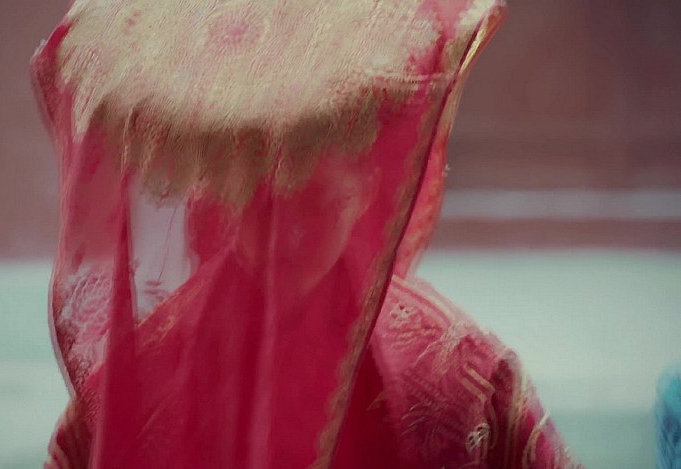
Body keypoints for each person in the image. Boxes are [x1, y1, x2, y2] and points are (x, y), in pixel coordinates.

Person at [32, 0, 581, 466]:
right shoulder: (136, 386)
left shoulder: (459, 379)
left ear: (367, 193)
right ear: (225, 200)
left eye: (316, 204)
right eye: (264, 206)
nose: (286, 237)